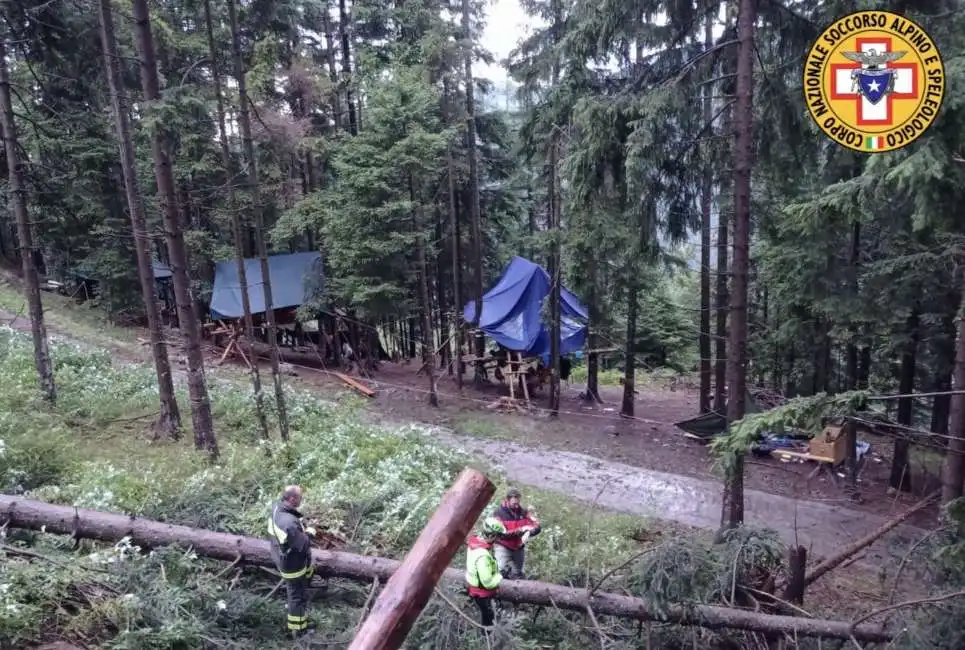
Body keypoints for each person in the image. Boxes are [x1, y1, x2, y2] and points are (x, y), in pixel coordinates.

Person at [267, 485, 318, 638]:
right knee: (297, 596)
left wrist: (300, 522)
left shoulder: (277, 508)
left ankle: (299, 621)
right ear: (292, 499)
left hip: (281, 556)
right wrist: (310, 533)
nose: (301, 500)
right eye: (300, 498)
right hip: (292, 565)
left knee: (297, 592)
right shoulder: (288, 523)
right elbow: (302, 546)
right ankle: (297, 629)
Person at [492, 488, 541, 579]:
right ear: (507, 500)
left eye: (518, 503)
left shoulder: (524, 512)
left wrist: (530, 531)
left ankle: (514, 588)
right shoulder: (498, 513)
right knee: (498, 570)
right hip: (503, 545)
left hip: (518, 547)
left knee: (518, 573)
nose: (516, 506)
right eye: (514, 504)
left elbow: (537, 525)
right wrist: (520, 530)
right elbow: (500, 533)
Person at [465, 517, 505, 628]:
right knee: (489, 618)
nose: (499, 539)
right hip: (482, 593)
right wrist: (499, 576)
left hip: (475, 588)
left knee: (487, 614)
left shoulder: (475, 543)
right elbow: (487, 582)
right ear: (492, 535)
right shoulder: (482, 556)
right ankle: (488, 637)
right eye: (498, 536)